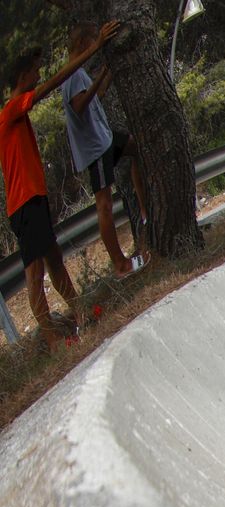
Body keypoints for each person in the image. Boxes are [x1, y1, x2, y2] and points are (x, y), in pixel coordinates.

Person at [2, 21, 123, 342]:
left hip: (33, 199)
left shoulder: (15, 114)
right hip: (24, 202)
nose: (40, 75)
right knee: (35, 271)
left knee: (53, 258)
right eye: (37, 70)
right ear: (25, 75)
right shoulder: (11, 109)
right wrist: (94, 48)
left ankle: (79, 312)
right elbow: (50, 86)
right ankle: (53, 339)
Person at [60, 21, 146, 278]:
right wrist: (98, 79)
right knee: (104, 205)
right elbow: (80, 106)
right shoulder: (72, 76)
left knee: (136, 148)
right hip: (95, 150)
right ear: (83, 44)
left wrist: (107, 72)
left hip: (105, 138)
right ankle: (120, 264)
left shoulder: (80, 74)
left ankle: (144, 213)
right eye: (92, 43)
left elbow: (96, 97)